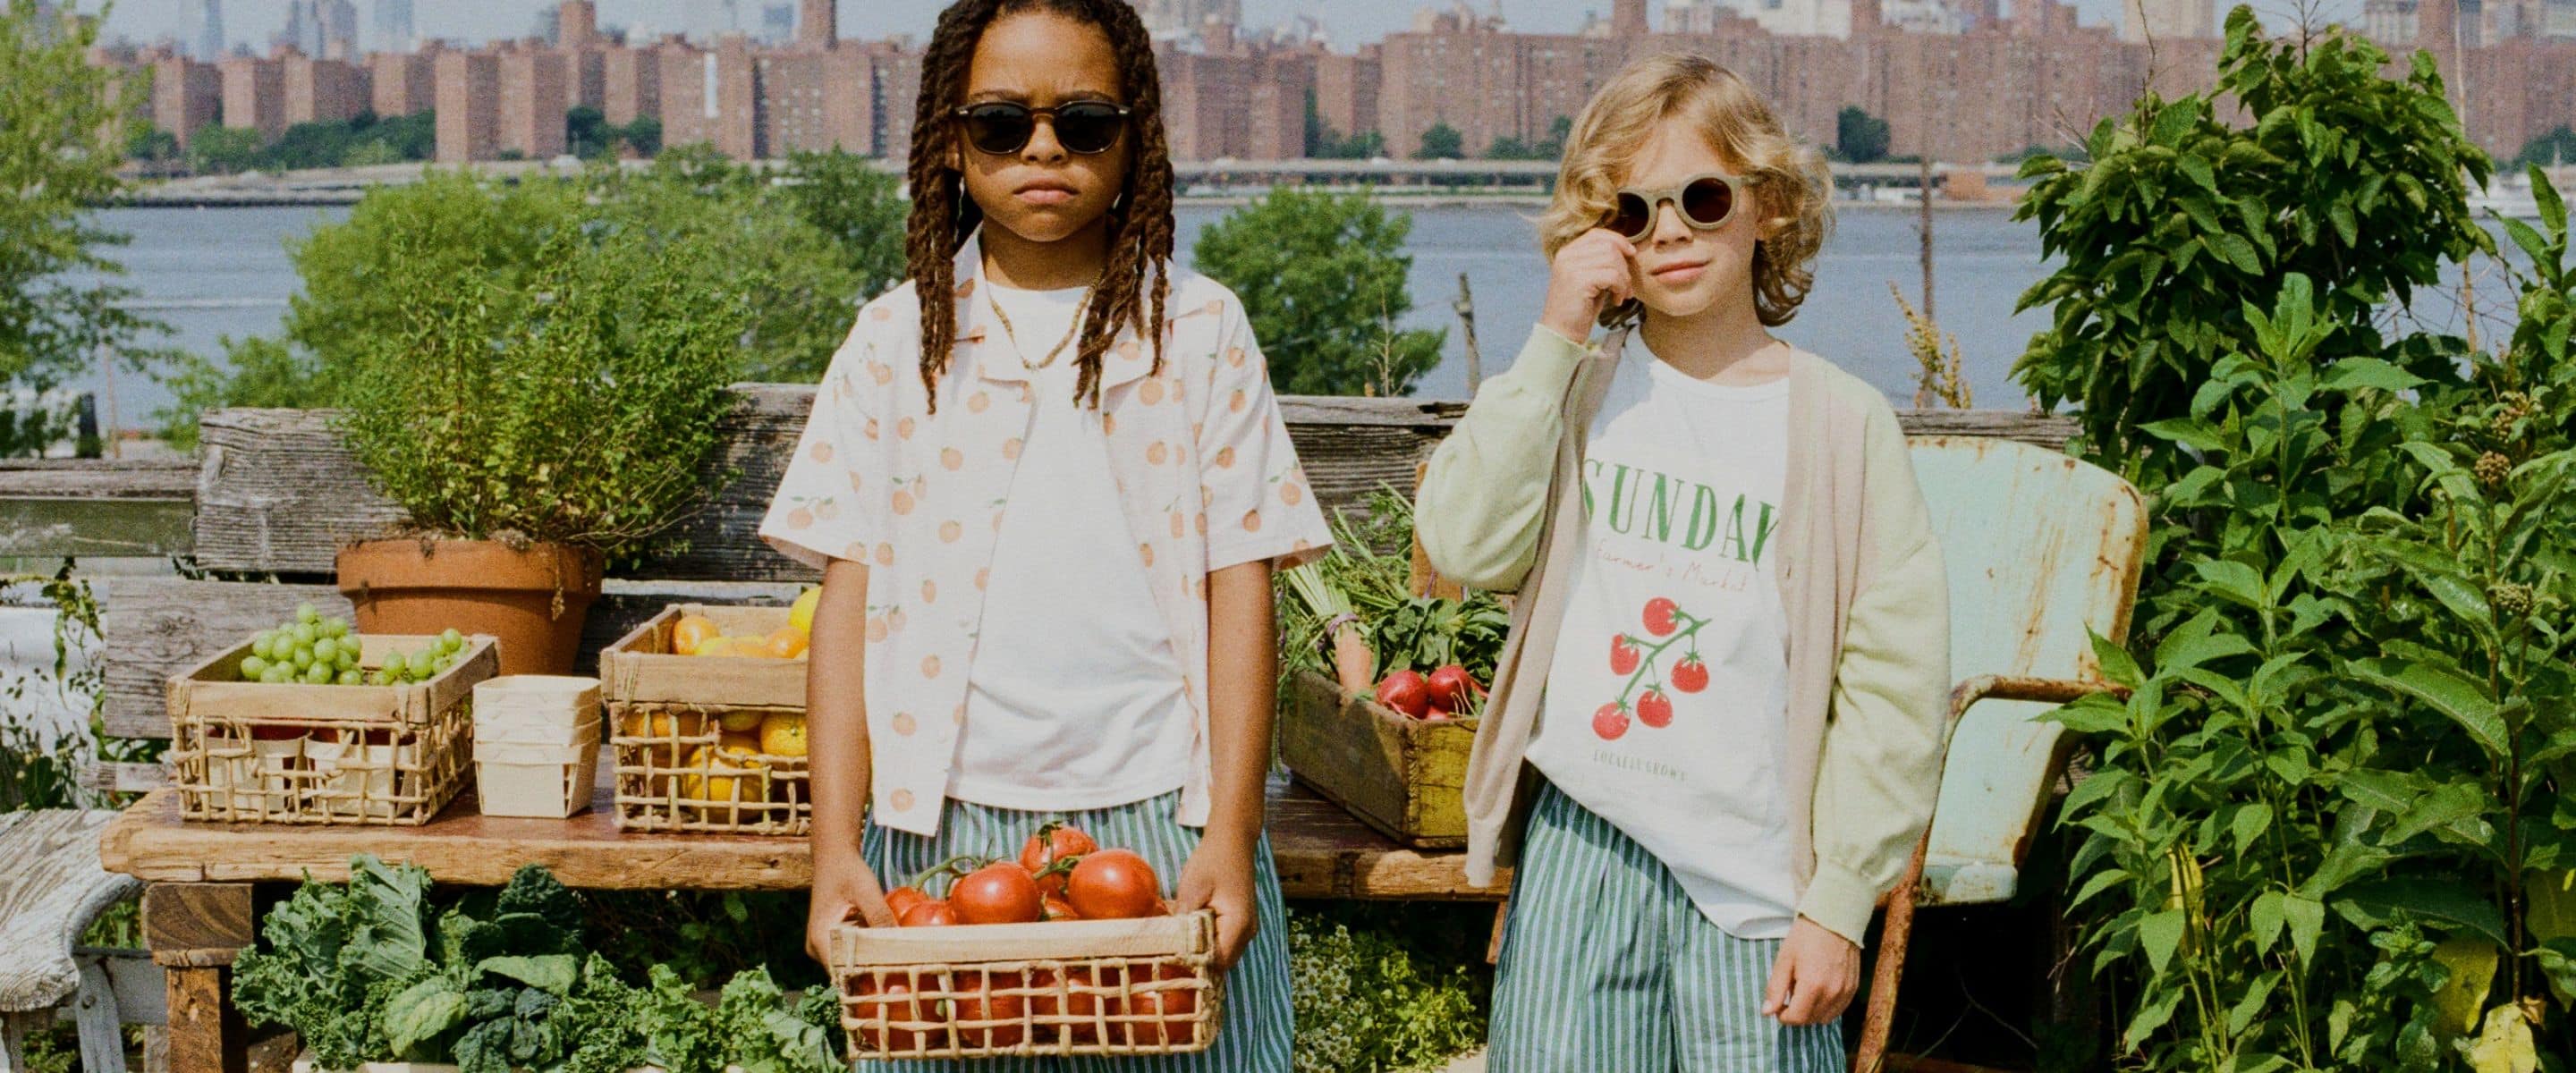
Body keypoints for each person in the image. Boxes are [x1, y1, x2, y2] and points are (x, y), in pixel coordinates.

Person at [758, 2, 1330, 1067]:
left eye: (1085, 122)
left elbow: (1242, 590)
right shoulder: (893, 343)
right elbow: (848, 601)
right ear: (949, 143)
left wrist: (1231, 834)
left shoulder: (1199, 332)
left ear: (1135, 141)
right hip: (938, 835)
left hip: (1164, 817)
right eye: (1000, 124)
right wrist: (834, 849)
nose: (1044, 149)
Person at [1415, 52, 1953, 1069]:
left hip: (1760, 882)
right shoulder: (1576, 389)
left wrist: (1841, 902)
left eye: (1702, 199)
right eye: (1631, 210)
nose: (1667, 230)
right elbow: (1466, 541)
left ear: (1770, 207)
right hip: (1585, 841)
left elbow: (1896, 687)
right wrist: (1556, 332)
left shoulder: (1842, 424)